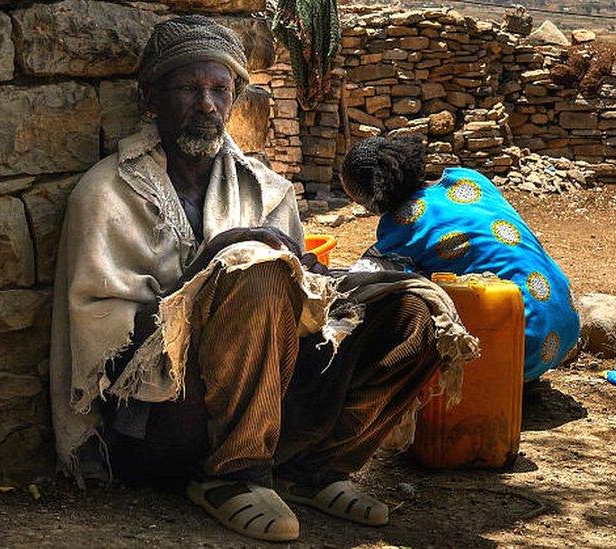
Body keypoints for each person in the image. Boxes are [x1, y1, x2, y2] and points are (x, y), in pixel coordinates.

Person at [49, 16, 476, 542]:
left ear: (234, 99)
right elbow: (102, 338)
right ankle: (231, 476)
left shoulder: (268, 190)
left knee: (416, 311)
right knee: (255, 269)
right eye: (188, 87)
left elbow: (302, 309)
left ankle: (314, 469)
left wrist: (326, 289)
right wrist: (221, 266)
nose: (206, 103)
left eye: (219, 89)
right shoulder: (106, 194)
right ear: (151, 98)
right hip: (164, 419)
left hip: (271, 395)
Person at [342, 136, 580, 382]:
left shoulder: (400, 224)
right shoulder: (469, 179)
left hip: (523, 348)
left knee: (405, 304)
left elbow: (368, 281)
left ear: (372, 200)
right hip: (567, 322)